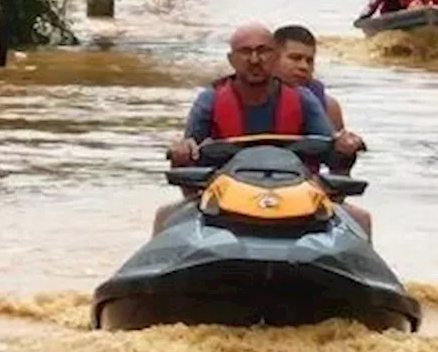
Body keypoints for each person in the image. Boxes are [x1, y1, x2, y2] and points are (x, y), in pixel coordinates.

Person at [154, 23, 364, 235]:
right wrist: (181, 152)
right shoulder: (210, 100)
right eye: (246, 52)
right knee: (165, 216)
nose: (254, 60)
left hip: (296, 202)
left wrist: (345, 148)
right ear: (231, 60)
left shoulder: (303, 99)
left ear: (275, 57)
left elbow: (332, 154)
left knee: (361, 219)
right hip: (227, 204)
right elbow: (189, 162)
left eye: (263, 51)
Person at [271, 24, 374, 240]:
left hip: (306, 196)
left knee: (361, 219)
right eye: (295, 58)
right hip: (243, 192)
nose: (303, 66)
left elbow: (340, 179)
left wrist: (346, 154)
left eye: (309, 60)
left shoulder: (328, 107)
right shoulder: (243, 96)